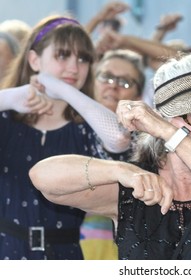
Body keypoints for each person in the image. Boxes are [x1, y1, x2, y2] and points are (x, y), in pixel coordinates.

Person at [29, 54, 191, 260]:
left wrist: (170, 133)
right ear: (163, 118)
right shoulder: (137, 187)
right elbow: (43, 178)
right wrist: (120, 171)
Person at [0, 15, 132, 260]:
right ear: (34, 60)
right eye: (62, 55)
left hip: (64, 255)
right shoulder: (7, 119)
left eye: (83, 58)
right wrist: (8, 98)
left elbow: (119, 138)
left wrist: (62, 88)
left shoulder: (86, 129)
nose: (74, 66)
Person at [80, 49, 145, 260]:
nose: (112, 85)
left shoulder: (146, 144)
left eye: (125, 82)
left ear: (138, 96)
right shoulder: (68, 129)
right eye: (106, 77)